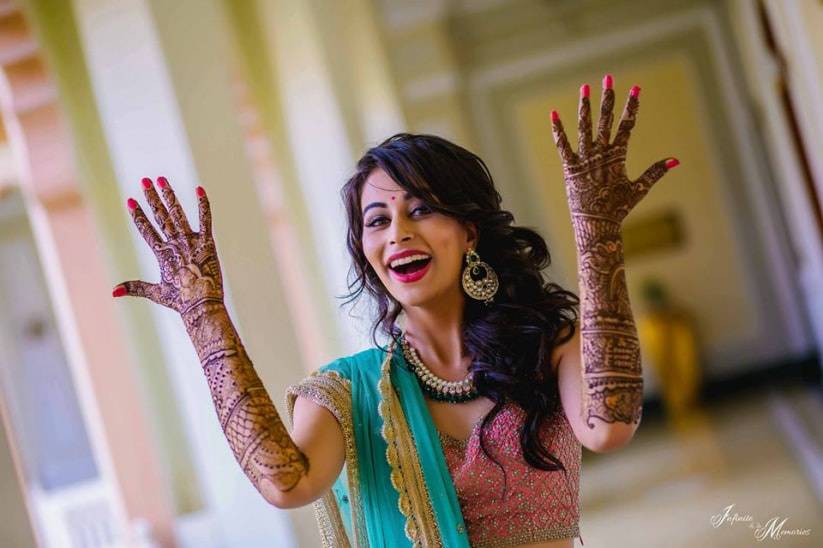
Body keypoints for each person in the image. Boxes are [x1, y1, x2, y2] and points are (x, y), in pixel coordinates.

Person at [112, 74, 679, 547]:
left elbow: (610, 425)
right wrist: (206, 316)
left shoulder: (549, 345)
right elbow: (286, 483)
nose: (398, 233)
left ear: (469, 231)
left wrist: (598, 232)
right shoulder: (345, 392)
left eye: (422, 209)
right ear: (365, 249)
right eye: (378, 220)